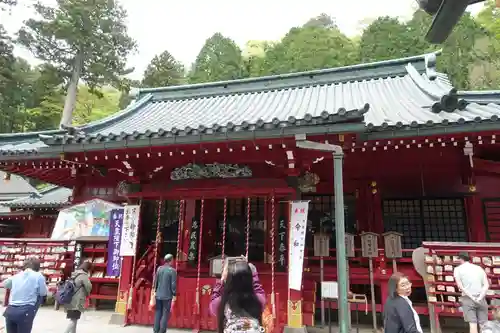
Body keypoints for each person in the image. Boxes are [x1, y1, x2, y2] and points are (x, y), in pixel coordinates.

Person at [210, 259, 266, 333]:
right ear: (249, 278)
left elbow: (214, 301)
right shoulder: (258, 300)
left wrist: (221, 281)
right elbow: (258, 289)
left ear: (228, 279)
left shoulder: (222, 303)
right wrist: (252, 272)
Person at [2, 258, 48, 333]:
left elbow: (5, 284)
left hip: (10, 310)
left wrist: (18, 285)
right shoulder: (38, 276)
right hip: (25, 311)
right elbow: (43, 293)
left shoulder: (17, 275)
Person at [454, 252, 490, 333]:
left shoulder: (457, 269)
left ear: (461, 259)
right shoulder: (479, 268)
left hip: (468, 298)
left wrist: (473, 298)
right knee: (484, 325)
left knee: (473, 324)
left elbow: (461, 287)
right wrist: (480, 297)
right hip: (481, 298)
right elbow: (486, 285)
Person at [63, 261, 93, 333]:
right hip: (77, 301)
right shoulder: (83, 275)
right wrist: (87, 293)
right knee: (73, 320)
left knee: (74, 319)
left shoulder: (74, 274)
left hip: (70, 299)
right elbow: (89, 287)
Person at [153, 254, 177, 333]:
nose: (173, 261)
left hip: (158, 295)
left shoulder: (159, 269)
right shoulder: (172, 271)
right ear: (170, 260)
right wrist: (174, 294)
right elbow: (173, 284)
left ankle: (156, 330)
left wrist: (155, 291)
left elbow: (155, 281)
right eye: (173, 260)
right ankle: (162, 331)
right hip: (167, 296)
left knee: (158, 312)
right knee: (165, 314)